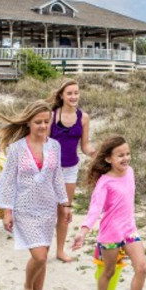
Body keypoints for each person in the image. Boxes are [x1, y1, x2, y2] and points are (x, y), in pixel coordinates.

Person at [0, 99, 71, 290]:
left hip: (47, 209)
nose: (43, 126)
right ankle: (27, 287)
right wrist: (7, 211)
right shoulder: (16, 149)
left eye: (46, 122)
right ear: (29, 122)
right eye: (38, 122)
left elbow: (57, 178)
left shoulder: (54, 146)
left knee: (43, 258)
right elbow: (7, 180)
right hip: (24, 209)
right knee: (40, 257)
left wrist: (65, 205)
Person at [72, 135, 146, 290]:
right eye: (120, 155)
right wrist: (83, 232)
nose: (126, 158)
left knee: (142, 267)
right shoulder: (104, 183)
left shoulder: (130, 172)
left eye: (128, 154)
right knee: (108, 271)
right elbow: (94, 209)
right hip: (110, 233)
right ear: (108, 159)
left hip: (129, 229)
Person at [46, 78, 97, 262]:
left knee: (64, 211)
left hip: (70, 169)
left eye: (76, 92)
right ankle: (41, 248)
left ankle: (60, 251)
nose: (74, 96)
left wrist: (95, 153)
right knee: (48, 211)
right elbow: (43, 143)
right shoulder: (52, 116)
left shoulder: (83, 118)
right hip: (50, 170)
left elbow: (85, 146)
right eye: (70, 93)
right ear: (62, 95)